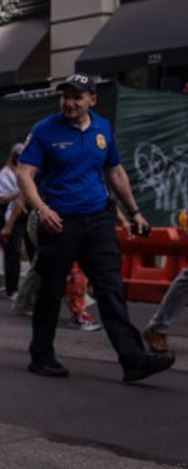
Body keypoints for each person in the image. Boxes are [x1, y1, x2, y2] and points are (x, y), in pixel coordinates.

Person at [16, 73, 174, 382]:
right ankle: (42, 356)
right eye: (66, 96)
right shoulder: (45, 130)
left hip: (99, 219)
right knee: (50, 291)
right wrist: (42, 209)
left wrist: (135, 211)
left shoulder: (103, 128)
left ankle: (133, 360)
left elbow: (114, 171)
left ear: (92, 100)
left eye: (77, 97)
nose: (69, 103)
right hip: (59, 221)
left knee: (111, 289)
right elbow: (25, 174)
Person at [0, 143, 30, 298]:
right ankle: (12, 288)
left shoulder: (31, 171)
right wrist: (19, 192)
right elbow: (0, 197)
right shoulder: (5, 174)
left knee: (35, 250)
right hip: (13, 214)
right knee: (13, 251)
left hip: (31, 213)